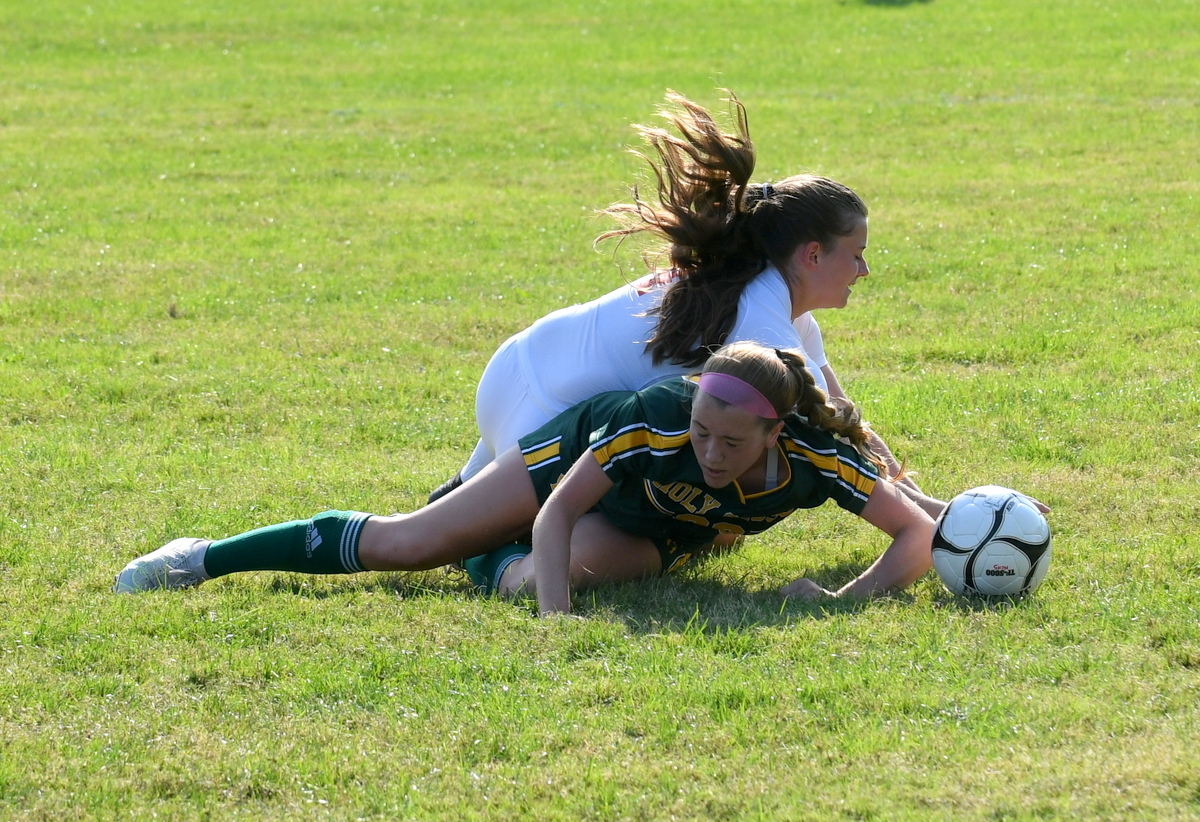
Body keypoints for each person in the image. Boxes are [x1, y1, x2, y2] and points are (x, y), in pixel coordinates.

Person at [114, 342, 935, 616]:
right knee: (413, 545)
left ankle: (484, 558)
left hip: (660, 528)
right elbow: (563, 508)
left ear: (771, 431)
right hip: (574, 464)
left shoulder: (814, 460)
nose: (712, 451)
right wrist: (556, 621)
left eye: (730, 442)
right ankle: (201, 556)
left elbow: (915, 533)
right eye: (701, 432)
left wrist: (840, 601)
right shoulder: (652, 417)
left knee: (530, 580)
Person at [434, 90, 937, 515]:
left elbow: (846, 417)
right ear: (811, 255)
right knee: (666, 530)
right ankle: (487, 544)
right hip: (545, 411)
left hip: (513, 367)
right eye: (857, 255)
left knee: (445, 517)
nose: (865, 271)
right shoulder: (762, 320)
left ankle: (454, 502)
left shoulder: (775, 301)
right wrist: (926, 518)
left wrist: (923, 501)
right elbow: (836, 441)